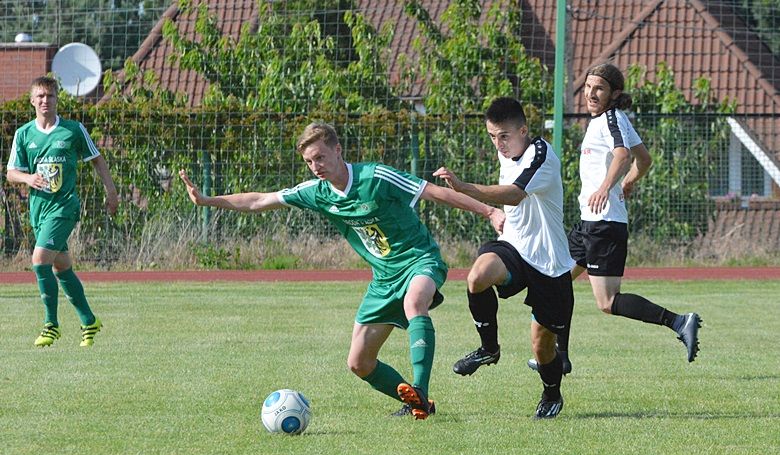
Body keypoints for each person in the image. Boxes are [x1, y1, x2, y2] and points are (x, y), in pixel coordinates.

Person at [179, 122, 504, 420]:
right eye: (309, 161)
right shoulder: (317, 192)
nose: (315, 166)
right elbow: (259, 201)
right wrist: (207, 200)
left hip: (419, 259)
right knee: (359, 363)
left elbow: (434, 192)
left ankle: (419, 390)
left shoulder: (375, 176)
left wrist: (488, 211)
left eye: (320, 157)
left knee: (414, 301)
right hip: (384, 278)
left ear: (338, 150)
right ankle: (420, 405)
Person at [528, 63, 701, 375]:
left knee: (607, 302)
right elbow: (644, 159)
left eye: (599, 88)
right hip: (589, 221)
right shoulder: (608, 120)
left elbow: (624, 155)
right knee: (558, 281)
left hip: (604, 223)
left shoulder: (611, 119)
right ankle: (559, 357)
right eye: (588, 86)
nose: (591, 93)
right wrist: (629, 182)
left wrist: (606, 188)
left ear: (614, 93)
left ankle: (679, 321)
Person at [434, 97, 574, 419]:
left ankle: (552, 394)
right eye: (492, 137)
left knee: (542, 346)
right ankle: (489, 348)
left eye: (504, 136)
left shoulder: (541, 155)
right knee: (477, 276)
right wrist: (494, 213)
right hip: (513, 246)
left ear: (523, 131)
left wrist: (466, 187)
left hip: (549, 262)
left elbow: (515, 193)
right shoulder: (507, 151)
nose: (498, 144)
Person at [5, 76, 118, 348]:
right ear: (32, 101)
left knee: (39, 259)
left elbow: (97, 159)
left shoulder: (73, 130)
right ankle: (89, 320)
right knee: (61, 266)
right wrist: (28, 178)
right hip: (39, 211)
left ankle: (51, 325)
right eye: (40, 96)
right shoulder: (24, 134)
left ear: (57, 100)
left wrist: (112, 192)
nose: (46, 101)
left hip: (65, 208)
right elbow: (11, 173)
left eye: (50, 96)